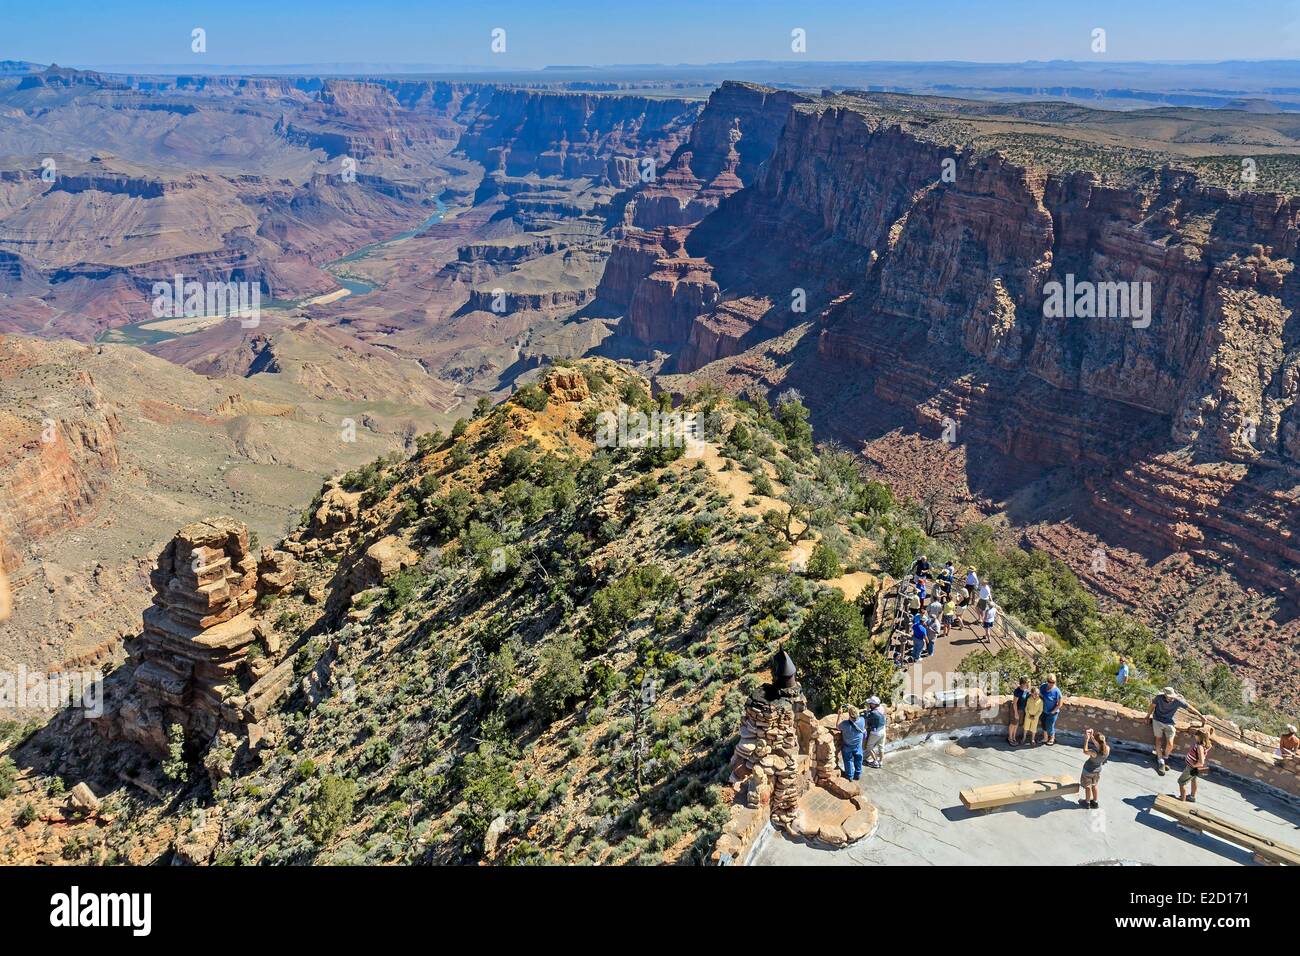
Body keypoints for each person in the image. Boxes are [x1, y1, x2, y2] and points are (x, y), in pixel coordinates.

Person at [1146, 686, 1203, 776]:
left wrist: (1201, 716)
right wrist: (1147, 716)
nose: (1170, 698)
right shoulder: (1159, 698)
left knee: (1170, 744)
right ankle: (1161, 761)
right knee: (1158, 740)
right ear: (1165, 695)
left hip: (1169, 722)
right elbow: (1152, 706)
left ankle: (1165, 757)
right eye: (1169, 696)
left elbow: (1190, 708)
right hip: (1157, 720)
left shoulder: (1177, 701)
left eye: (1172, 696)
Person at [1178, 728, 1214, 802]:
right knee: (1193, 780)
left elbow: (1201, 761)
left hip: (1192, 767)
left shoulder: (1200, 746)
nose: (1195, 736)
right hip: (1197, 768)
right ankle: (1192, 797)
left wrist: (1193, 766)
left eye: (1196, 735)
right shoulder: (1208, 744)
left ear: (1199, 737)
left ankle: (1182, 800)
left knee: (1181, 782)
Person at [1078, 729, 1109, 809]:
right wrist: (1092, 737)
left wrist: (1086, 740)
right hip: (1097, 771)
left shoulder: (1094, 752)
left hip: (1088, 771)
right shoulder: (1107, 749)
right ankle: (1095, 802)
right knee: (1094, 785)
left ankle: (1087, 802)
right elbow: (1099, 744)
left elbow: (1085, 751)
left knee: (1087, 786)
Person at [839, 706, 866, 781]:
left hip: (848, 746)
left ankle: (850, 776)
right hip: (858, 745)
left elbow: (837, 726)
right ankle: (857, 774)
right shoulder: (862, 720)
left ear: (849, 715)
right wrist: (852, 707)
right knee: (858, 759)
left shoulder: (845, 724)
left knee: (848, 760)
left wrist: (839, 715)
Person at [1039, 674, 1062, 745]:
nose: (1051, 683)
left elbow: (1060, 704)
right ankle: (1045, 738)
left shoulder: (1057, 691)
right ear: (1047, 680)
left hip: (1052, 712)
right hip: (1043, 710)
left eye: (1053, 682)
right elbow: (1039, 695)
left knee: (1050, 726)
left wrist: (1053, 711)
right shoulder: (1043, 686)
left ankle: (1052, 738)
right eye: (1050, 681)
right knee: (1044, 724)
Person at [864, 696, 887, 769]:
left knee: (869, 747)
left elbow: (866, 717)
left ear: (874, 704)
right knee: (881, 747)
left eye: (870, 703)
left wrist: (867, 709)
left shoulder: (873, 713)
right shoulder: (882, 708)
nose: (869, 704)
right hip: (883, 730)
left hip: (876, 733)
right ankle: (881, 762)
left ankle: (875, 762)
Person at [1009, 676, 1030, 744]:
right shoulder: (1017, 691)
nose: (1028, 685)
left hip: (1021, 710)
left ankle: (1014, 737)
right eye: (1026, 683)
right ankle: (1010, 737)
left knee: (1017, 724)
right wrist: (1016, 713)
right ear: (1022, 684)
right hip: (1015, 709)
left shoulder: (1026, 690)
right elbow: (1014, 703)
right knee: (1013, 724)